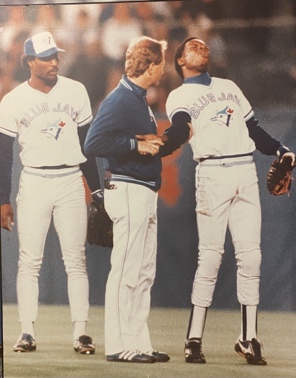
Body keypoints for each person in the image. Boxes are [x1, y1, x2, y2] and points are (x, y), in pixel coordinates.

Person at [165, 36, 295, 366]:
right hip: (211, 173)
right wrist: (167, 141)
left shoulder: (230, 86)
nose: (201, 46)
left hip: (245, 171)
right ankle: (193, 339)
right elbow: (181, 127)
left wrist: (281, 149)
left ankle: (249, 338)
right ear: (181, 60)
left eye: (203, 44)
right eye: (193, 45)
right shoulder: (179, 95)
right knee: (210, 258)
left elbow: (254, 129)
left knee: (251, 258)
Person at [84, 36, 191, 363]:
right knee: (127, 269)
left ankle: (138, 341)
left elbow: (148, 146)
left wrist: (173, 137)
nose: (164, 68)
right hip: (128, 189)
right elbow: (92, 143)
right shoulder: (119, 98)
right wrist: (134, 145)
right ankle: (119, 344)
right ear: (153, 64)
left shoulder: (137, 98)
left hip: (143, 189)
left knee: (143, 271)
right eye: (162, 62)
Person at [0, 31, 102, 354]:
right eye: (46, 57)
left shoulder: (76, 91)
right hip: (33, 181)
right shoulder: (13, 100)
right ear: (29, 61)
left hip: (71, 179)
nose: (54, 62)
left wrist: (97, 189)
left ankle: (81, 333)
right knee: (29, 261)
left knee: (76, 259)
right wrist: (3, 199)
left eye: (55, 55)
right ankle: (27, 332)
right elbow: (3, 154)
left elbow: (88, 145)